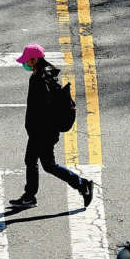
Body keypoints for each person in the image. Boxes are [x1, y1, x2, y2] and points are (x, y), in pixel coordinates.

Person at [8, 44, 94, 209]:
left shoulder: (42, 80)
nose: (25, 64)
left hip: (43, 132)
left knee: (48, 165)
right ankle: (29, 196)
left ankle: (82, 185)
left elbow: (43, 110)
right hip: (39, 131)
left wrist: (37, 131)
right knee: (31, 160)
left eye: (27, 61)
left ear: (35, 59)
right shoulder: (41, 75)